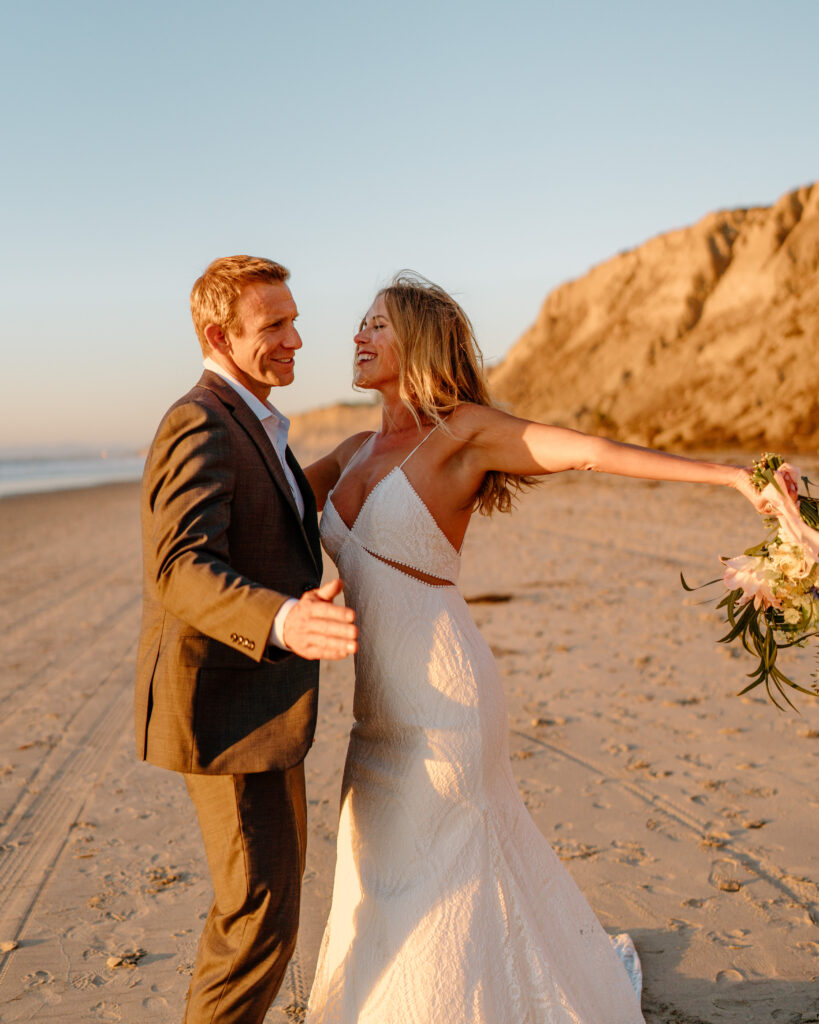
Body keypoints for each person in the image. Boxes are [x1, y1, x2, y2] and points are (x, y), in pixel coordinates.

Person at [301, 273, 774, 1024]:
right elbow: (272, 506)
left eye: (377, 325)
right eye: (359, 323)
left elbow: (588, 451)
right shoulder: (353, 449)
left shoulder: (463, 432)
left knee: (444, 877)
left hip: (444, 703)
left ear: (418, 341)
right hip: (374, 715)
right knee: (377, 870)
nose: (357, 336)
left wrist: (730, 476)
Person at [135, 256, 358, 1024]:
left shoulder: (252, 419)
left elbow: (279, 507)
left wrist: (361, 452)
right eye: (274, 326)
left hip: (258, 708)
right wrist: (284, 619)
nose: (296, 338)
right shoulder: (199, 419)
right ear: (217, 335)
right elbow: (180, 566)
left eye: (295, 319)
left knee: (265, 913)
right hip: (228, 712)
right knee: (256, 921)